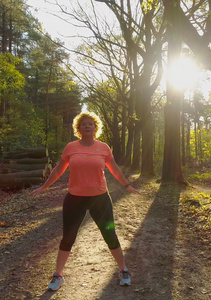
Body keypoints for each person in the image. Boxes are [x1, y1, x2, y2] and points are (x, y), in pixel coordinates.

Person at [32, 111, 139, 291]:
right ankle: (58, 275)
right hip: (75, 200)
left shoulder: (104, 148)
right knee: (68, 238)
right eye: (84, 124)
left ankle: (124, 270)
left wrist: (127, 185)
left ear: (96, 128)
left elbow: (114, 169)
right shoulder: (70, 148)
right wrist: (45, 187)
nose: (87, 126)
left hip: (100, 200)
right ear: (79, 128)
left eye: (91, 124)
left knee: (110, 234)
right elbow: (59, 169)